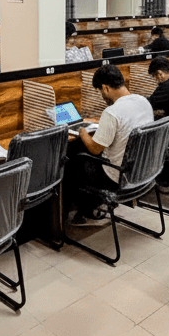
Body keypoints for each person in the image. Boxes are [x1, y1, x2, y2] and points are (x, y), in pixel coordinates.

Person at [64, 64, 154, 224]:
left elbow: (95, 149)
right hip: (142, 168)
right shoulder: (143, 102)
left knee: (73, 161)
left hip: (116, 175)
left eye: (100, 92)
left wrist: (83, 133)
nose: (102, 96)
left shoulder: (112, 112)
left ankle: (85, 213)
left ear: (105, 88)